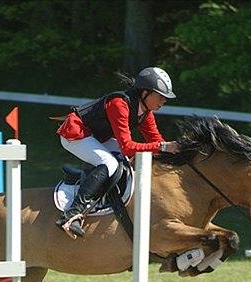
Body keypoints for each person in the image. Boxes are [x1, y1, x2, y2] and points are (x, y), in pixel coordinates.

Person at [55, 67, 181, 238]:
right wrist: (164, 147)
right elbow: (129, 146)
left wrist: (178, 153)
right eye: (160, 96)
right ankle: (72, 214)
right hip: (75, 133)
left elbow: (157, 142)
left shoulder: (145, 113)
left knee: (125, 162)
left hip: (97, 136)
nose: (163, 101)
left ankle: (103, 195)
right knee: (110, 163)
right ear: (145, 92)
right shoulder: (119, 104)